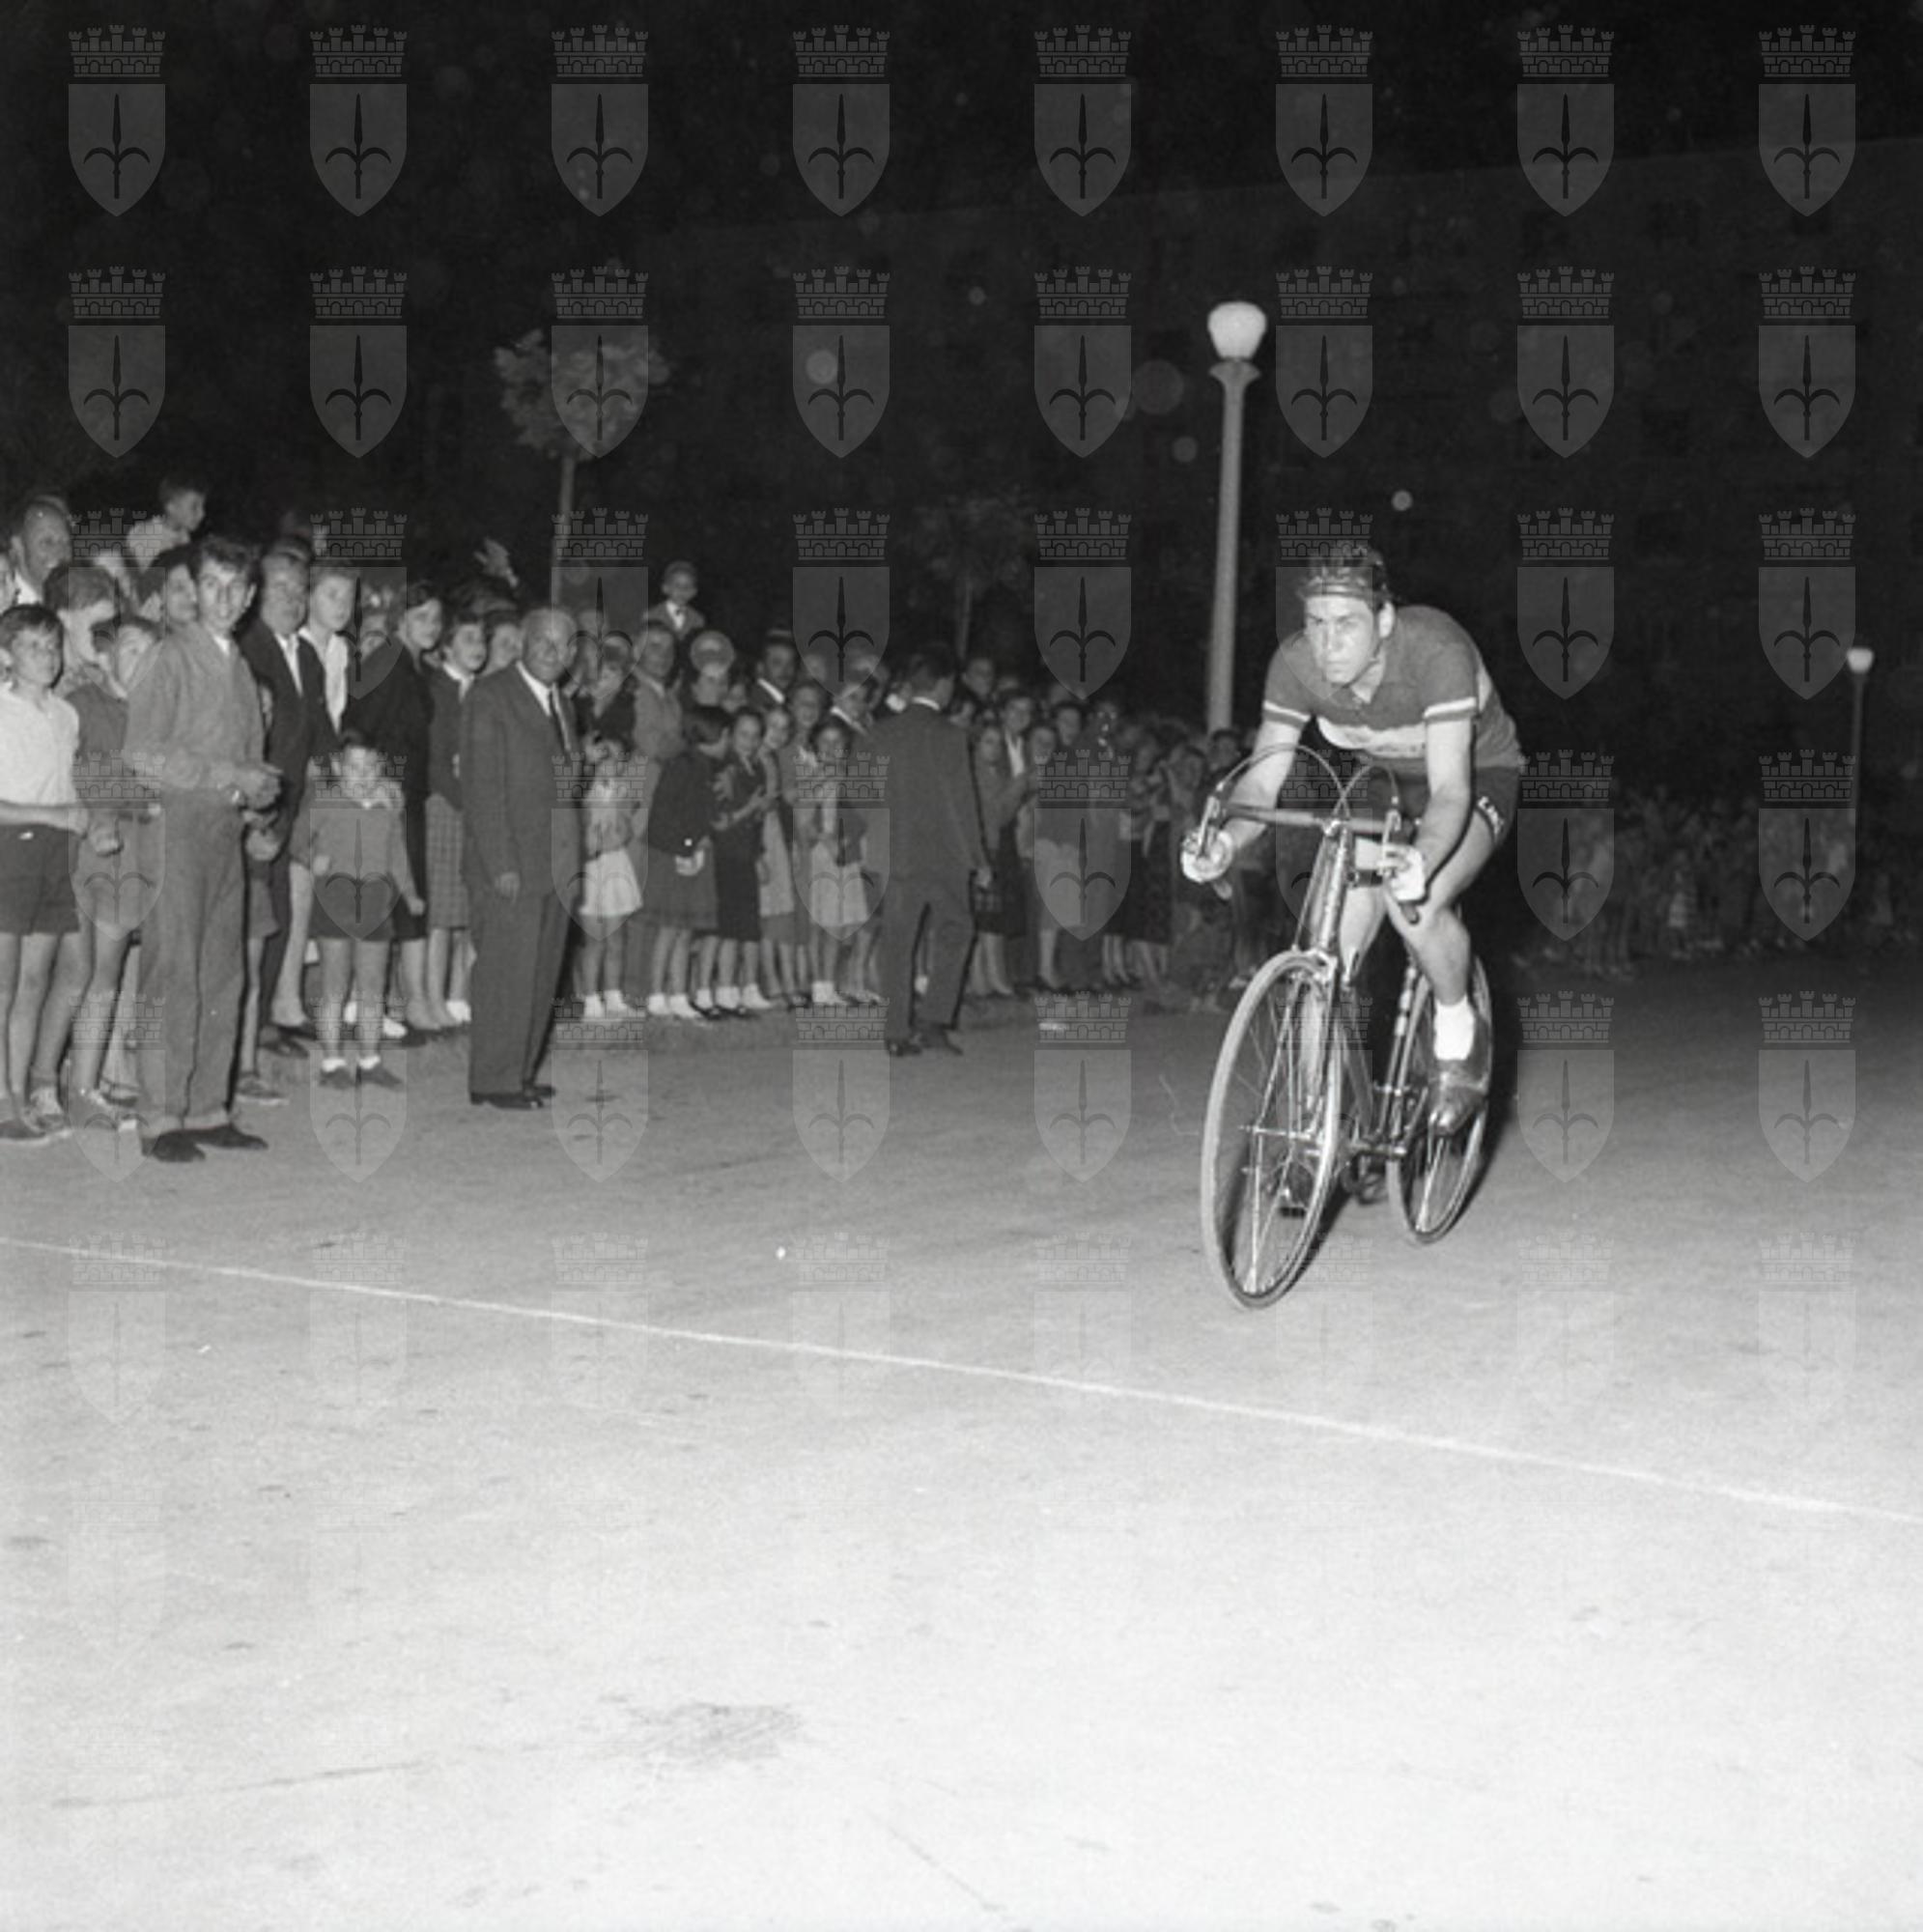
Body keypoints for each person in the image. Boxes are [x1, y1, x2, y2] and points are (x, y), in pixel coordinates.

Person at [1181, 544, 1524, 1130]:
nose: (1327, 643)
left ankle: (1458, 1027)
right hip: (1384, 781)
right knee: (1327, 945)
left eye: (1346, 624)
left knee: (1415, 906)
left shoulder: (1436, 650)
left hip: (1473, 776)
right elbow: (1262, 782)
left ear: (1385, 620)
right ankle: (1310, 1124)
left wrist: (1421, 861)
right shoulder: (1296, 665)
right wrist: (1227, 844)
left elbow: (1449, 791)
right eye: (1316, 623)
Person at [121, 534, 281, 1161]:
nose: (222, 597)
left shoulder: (239, 667)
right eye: (210, 584)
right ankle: (160, 1117)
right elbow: (141, 755)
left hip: (224, 833)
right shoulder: (169, 657)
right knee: (172, 971)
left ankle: (208, 1106)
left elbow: (248, 762)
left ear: (249, 596)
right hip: (177, 829)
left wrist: (259, 799)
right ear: (192, 588)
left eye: (235, 587)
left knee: (222, 971)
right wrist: (228, 775)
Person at [460, 605, 580, 1108]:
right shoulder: (491, 697)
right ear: (522, 644)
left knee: (541, 972)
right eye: (542, 641)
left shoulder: (562, 704)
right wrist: (500, 863)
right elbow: (482, 788)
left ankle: (521, 1070)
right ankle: (494, 1078)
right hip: (512, 863)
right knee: (507, 974)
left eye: (563, 643)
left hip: (556, 862)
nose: (553, 651)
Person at [238, 547, 334, 1080]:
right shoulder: (245, 649)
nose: (293, 601)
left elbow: (320, 734)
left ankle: (268, 1022)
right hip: (255, 807)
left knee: (279, 915)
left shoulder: (309, 656)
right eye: (282, 589)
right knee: (254, 920)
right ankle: (246, 1038)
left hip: (295, 805)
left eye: (301, 591)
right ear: (256, 594)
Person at [867, 646, 990, 1057]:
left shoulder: (879, 732)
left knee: (897, 941)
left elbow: (861, 795)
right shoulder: (951, 735)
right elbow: (963, 803)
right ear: (943, 685)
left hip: (896, 853)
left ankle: (894, 1032)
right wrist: (978, 858)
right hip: (944, 855)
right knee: (956, 932)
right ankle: (933, 1021)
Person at [0, 606, 87, 1141]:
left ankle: (21, 1090)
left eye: (53, 646)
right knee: (4, 983)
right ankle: (2, 1101)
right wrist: (51, 815)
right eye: (32, 646)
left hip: (56, 855)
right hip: (11, 849)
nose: (46, 656)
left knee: (34, 981)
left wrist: (82, 821)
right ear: (6, 655)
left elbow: (67, 786)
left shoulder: (66, 715)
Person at [296, 733, 421, 1089]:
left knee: (372, 988)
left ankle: (370, 1060)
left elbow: (397, 855)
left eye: (370, 767)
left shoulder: (387, 808)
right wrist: (311, 858)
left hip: (376, 905)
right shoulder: (324, 802)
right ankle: (332, 1063)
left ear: (380, 769)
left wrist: (410, 893)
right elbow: (296, 842)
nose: (363, 775)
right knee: (334, 986)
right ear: (338, 767)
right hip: (334, 903)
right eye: (354, 767)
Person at [424, 598, 490, 1028]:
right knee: (441, 911)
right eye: (468, 639)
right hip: (446, 804)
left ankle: (460, 995)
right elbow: (434, 761)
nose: (478, 647)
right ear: (446, 647)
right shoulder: (437, 690)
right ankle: (433, 998)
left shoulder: (485, 693)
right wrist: (465, 799)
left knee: (470, 906)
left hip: (478, 809)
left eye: (482, 639)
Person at [642, 706, 726, 1022]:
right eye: (727, 735)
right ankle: (655, 994)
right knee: (669, 927)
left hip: (693, 853)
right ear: (716, 735)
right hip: (674, 854)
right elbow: (662, 817)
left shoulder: (705, 768)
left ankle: (678, 995)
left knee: (685, 928)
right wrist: (689, 843)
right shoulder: (682, 766)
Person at [126, 475, 208, 571]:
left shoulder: (183, 534)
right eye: (194, 507)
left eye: (202, 506)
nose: (202, 514)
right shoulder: (144, 536)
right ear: (171, 507)